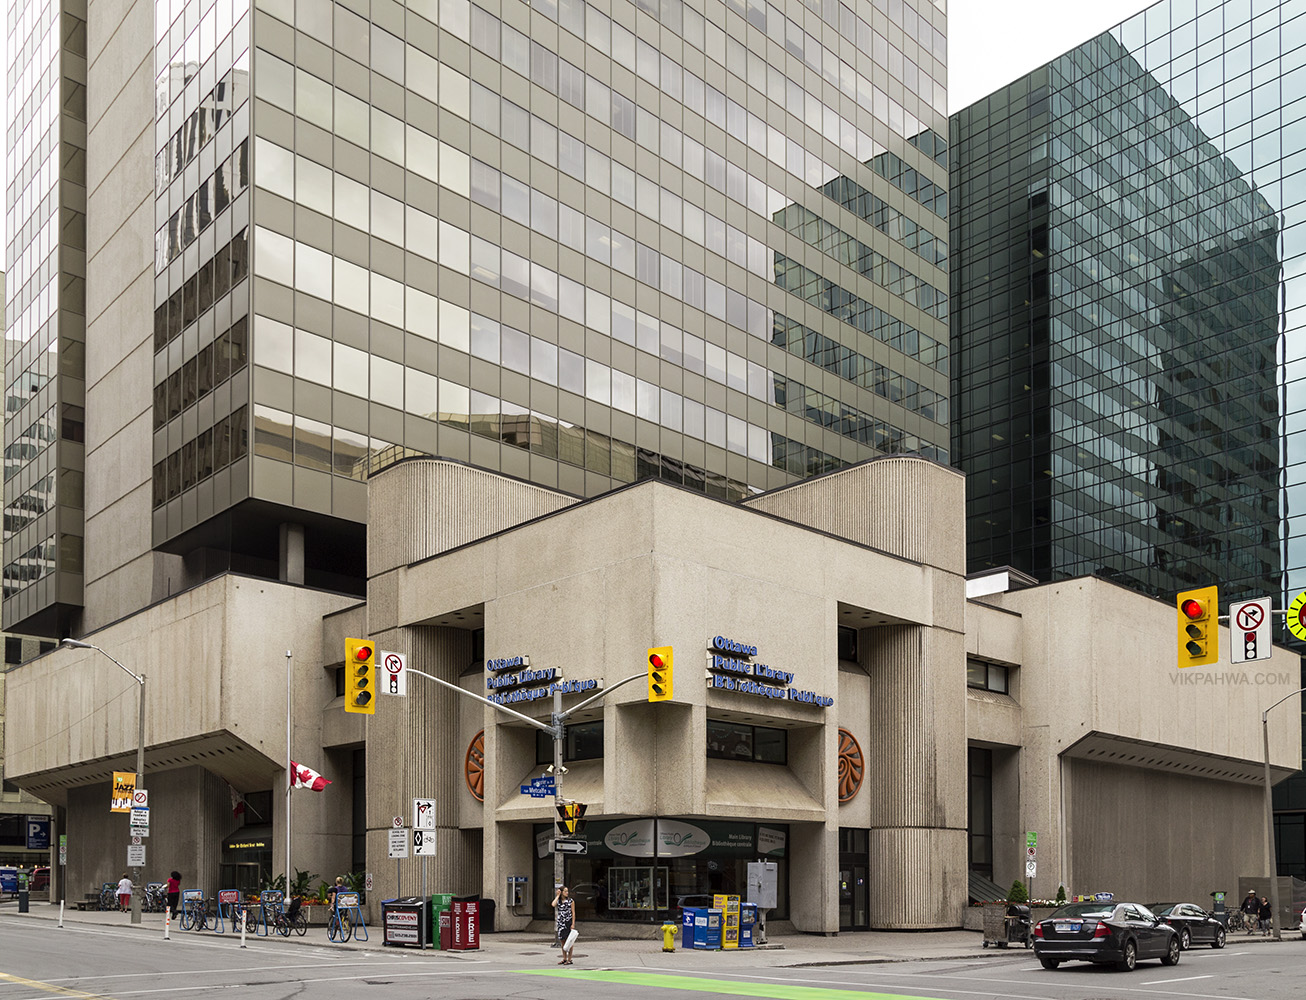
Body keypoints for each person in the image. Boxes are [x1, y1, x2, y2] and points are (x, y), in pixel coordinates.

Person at [551, 885, 576, 965]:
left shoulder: (571, 901)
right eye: (565, 891)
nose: (567, 893)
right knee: (562, 941)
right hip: (561, 922)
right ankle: (564, 958)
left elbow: (573, 912)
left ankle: (570, 959)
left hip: (568, 922)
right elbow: (553, 904)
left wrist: (573, 923)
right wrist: (557, 896)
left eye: (567, 891)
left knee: (569, 941)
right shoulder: (558, 901)